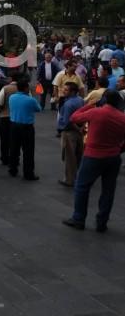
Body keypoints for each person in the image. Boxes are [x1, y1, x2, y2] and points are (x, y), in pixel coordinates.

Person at [63, 91, 125, 232]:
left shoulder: (96, 112)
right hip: (113, 158)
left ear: (104, 100)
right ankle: (101, 222)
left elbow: (74, 118)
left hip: (93, 156)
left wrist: (89, 105)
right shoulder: (123, 118)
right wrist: (118, 149)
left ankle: (79, 219)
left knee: (82, 187)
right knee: (108, 191)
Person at [7, 79, 42, 181]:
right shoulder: (30, 100)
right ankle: (28, 173)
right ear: (26, 88)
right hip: (27, 127)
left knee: (14, 148)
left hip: (13, 125)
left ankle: (12, 169)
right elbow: (38, 109)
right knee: (28, 151)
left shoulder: (12, 97)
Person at [57, 81, 85, 187]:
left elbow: (69, 121)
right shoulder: (80, 100)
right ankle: (78, 177)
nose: (63, 91)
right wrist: (81, 128)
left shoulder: (68, 104)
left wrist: (77, 128)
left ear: (73, 92)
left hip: (69, 132)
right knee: (79, 155)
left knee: (69, 157)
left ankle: (69, 179)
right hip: (79, 131)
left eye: (66, 90)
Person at [0, 72, 21, 166]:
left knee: (5, 139)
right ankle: (15, 158)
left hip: (5, 117)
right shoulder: (24, 89)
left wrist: (0, 110)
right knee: (16, 140)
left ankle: (4, 158)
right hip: (18, 118)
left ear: (11, 79)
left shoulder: (5, 88)